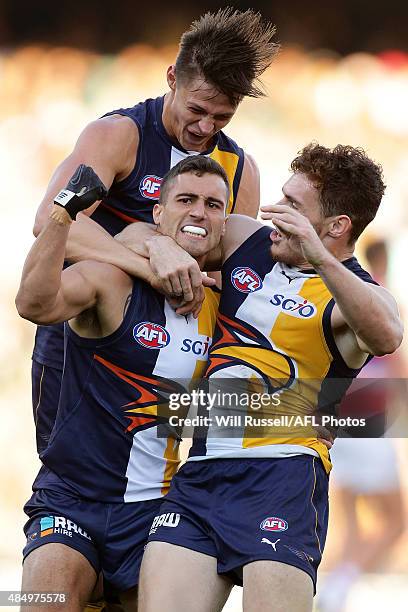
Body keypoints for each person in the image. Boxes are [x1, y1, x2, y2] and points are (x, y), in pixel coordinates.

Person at [121, 143, 403, 612]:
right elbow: (134, 233)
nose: (275, 213)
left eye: (293, 207)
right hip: (202, 473)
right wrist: (158, 247)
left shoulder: (349, 294)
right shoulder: (246, 241)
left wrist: (320, 256)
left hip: (283, 477)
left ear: (336, 228)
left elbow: (388, 333)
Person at [31, 7, 279, 455]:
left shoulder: (241, 170)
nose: (205, 129)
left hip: (173, 354)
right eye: (197, 110)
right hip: (82, 344)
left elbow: (237, 276)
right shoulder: (119, 135)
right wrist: (150, 257)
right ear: (171, 78)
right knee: (67, 477)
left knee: (155, 490)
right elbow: (52, 222)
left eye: (221, 118)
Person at [15, 156, 228, 611]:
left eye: (213, 204)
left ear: (225, 222)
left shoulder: (225, 304)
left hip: (161, 511)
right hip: (72, 499)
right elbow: (33, 303)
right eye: (185, 200)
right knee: (41, 600)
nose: (198, 212)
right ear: (157, 213)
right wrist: (62, 215)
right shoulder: (113, 280)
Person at [317, 238, 406, 612]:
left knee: (352, 523)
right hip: (368, 423)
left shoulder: (342, 289)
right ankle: (338, 588)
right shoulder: (380, 300)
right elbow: (399, 368)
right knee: (397, 519)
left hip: (339, 420)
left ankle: (333, 593)